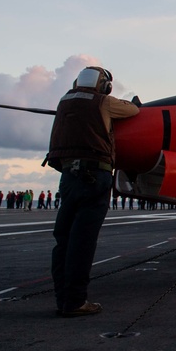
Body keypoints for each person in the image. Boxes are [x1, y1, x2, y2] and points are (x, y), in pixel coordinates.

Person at [47, 66, 139, 317]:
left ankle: (63, 300)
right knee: (82, 241)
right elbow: (133, 110)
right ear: (104, 86)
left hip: (68, 178)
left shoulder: (64, 102)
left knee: (63, 241)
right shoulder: (104, 102)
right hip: (94, 177)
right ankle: (76, 302)